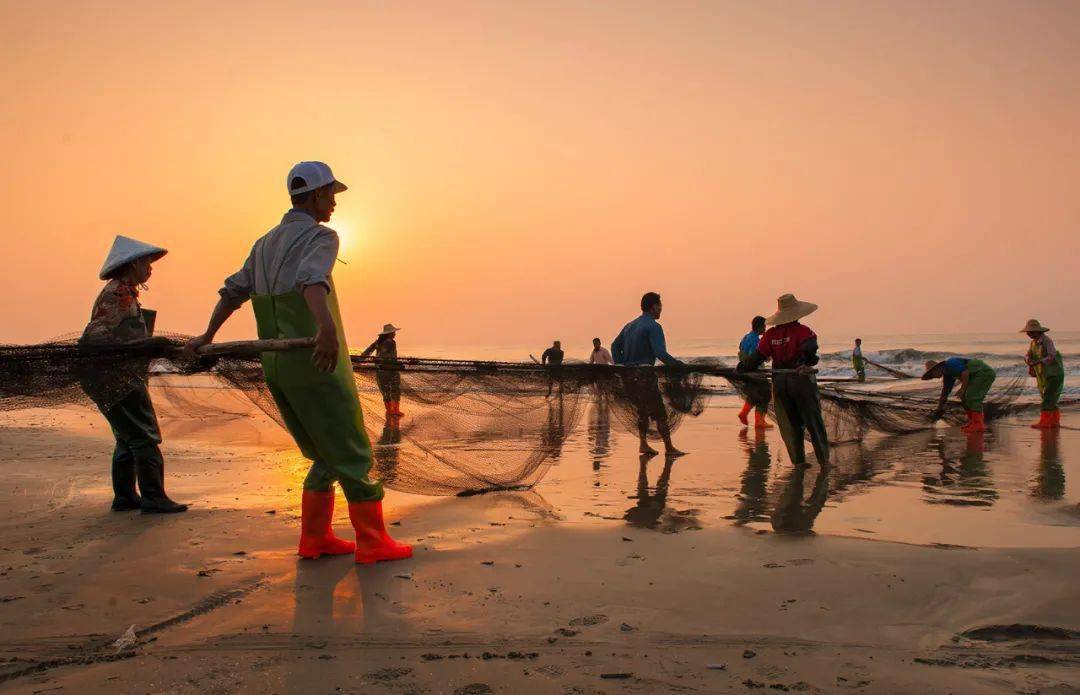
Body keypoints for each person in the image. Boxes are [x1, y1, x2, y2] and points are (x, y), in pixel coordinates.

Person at [184, 161, 411, 564]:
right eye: (332, 196)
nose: (335, 204)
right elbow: (312, 281)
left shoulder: (265, 242)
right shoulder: (321, 236)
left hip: (277, 364)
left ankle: (315, 538)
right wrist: (325, 331)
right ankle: (373, 542)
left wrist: (208, 335)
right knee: (354, 449)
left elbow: (233, 291)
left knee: (324, 452)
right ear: (317, 195)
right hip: (315, 361)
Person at [80, 236, 188, 514]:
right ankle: (153, 497)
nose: (150, 268)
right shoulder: (120, 293)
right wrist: (149, 346)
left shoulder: (120, 290)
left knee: (126, 435)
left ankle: (126, 496)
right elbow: (111, 337)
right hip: (118, 376)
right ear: (133, 264)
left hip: (105, 375)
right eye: (147, 263)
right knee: (144, 434)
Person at [739, 294, 829, 468]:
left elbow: (756, 358)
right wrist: (805, 362)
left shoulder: (770, 335)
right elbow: (810, 350)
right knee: (812, 420)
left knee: (791, 423)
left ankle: (798, 461)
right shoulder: (803, 331)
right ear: (797, 313)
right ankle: (824, 461)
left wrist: (742, 367)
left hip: (780, 384)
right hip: (801, 381)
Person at [611, 292, 685, 456]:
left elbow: (614, 347)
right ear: (653, 307)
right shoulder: (653, 326)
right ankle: (669, 447)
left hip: (630, 377)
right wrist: (679, 365)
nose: (661, 310)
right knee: (660, 413)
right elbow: (660, 353)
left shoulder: (629, 326)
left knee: (642, 411)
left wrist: (621, 366)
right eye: (660, 306)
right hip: (644, 376)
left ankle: (643, 444)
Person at [922, 356, 997, 433]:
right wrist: (939, 409)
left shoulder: (951, 363)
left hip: (983, 373)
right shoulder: (948, 375)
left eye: (932, 374)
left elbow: (965, 372)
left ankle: (978, 425)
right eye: (931, 376)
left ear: (937, 368)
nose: (934, 377)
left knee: (972, 397)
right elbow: (945, 393)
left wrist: (962, 389)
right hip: (974, 377)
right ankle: (972, 422)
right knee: (964, 397)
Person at [1021, 319, 1064, 429]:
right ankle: (1054, 422)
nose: (1028, 334)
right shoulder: (1033, 343)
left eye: (1031, 332)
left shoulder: (1047, 341)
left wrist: (1038, 361)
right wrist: (1029, 361)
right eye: (1028, 332)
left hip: (1054, 374)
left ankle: (1045, 423)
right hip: (1043, 375)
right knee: (1049, 398)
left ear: (1038, 331)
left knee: (1048, 399)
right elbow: (1027, 355)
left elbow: (1051, 356)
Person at [360, 324, 404, 418]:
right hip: (391, 369)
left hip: (380, 369)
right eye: (393, 332)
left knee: (385, 390)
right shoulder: (391, 342)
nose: (395, 334)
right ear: (390, 334)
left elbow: (368, 351)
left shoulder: (378, 342)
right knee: (395, 389)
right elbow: (388, 356)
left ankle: (389, 411)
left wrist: (361, 359)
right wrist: (397, 364)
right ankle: (395, 411)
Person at [736, 316, 772, 429]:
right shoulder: (757, 340)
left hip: (745, 370)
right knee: (765, 393)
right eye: (764, 326)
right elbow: (759, 356)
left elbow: (741, 353)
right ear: (760, 327)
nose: (765, 328)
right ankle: (759, 421)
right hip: (756, 370)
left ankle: (744, 413)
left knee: (754, 394)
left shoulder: (745, 337)